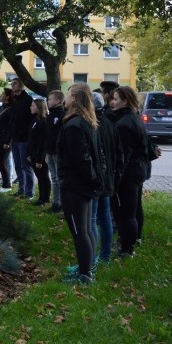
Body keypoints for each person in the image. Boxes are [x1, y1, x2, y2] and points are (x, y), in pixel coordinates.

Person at [57, 85, 104, 284]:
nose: (65, 98)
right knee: (85, 229)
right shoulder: (86, 121)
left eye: (68, 94)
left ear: (74, 98)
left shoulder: (75, 124)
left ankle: (85, 275)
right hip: (83, 184)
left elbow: (82, 158)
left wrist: (92, 179)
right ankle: (88, 268)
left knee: (80, 231)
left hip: (76, 185)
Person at [107, 85, 151, 258]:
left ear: (125, 101)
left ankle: (126, 249)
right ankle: (131, 241)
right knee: (133, 209)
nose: (112, 102)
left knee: (125, 212)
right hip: (137, 170)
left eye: (115, 99)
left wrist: (115, 181)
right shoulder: (133, 117)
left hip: (129, 173)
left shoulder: (125, 124)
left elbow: (122, 156)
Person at [88, 89, 121, 265]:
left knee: (94, 218)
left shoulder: (93, 124)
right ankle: (105, 256)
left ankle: (91, 259)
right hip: (108, 176)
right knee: (105, 216)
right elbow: (118, 151)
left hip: (98, 177)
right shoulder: (110, 122)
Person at [10, 78, 34, 199]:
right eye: (12, 84)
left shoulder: (28, 99)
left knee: (26, 166)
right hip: (15, 138)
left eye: (14, 84)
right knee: (17, 165)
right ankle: (21, 188)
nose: (12, 86)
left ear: (21, 85)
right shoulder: (15, 100)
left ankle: (29, 192)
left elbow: (30, 119)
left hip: (24, 138)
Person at [44, 90, 66, 212]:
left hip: (58, 152)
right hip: (49, 151)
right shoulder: (49, 115)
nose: (48, 101)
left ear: (58, 101)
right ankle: (56, 202)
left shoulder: (62, 115)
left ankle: (62, 204)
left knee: (59, 178)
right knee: (53, 177)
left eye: (51, 99)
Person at [27, 98, 51, 206]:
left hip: (39, 155)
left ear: (39, 107)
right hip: (33, 154)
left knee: (43, 177)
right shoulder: (34, 120)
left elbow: (43, 142)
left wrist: (39, 159)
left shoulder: (43, 122)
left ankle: (45, 198)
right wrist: (29, 154)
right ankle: (41, 197)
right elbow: (31, 139)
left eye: (33, 105)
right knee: (39, 177)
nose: (30, 107)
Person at [0, 88, 14, 193]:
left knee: (1, 162)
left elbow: (10, 127)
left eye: (3, 94)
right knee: (1, 162)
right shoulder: (0, 108)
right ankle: (5, 183)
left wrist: (8, 142)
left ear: (7, 97)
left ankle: (7, 185)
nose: (0, 95)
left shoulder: (11, 109)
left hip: (5, 140)